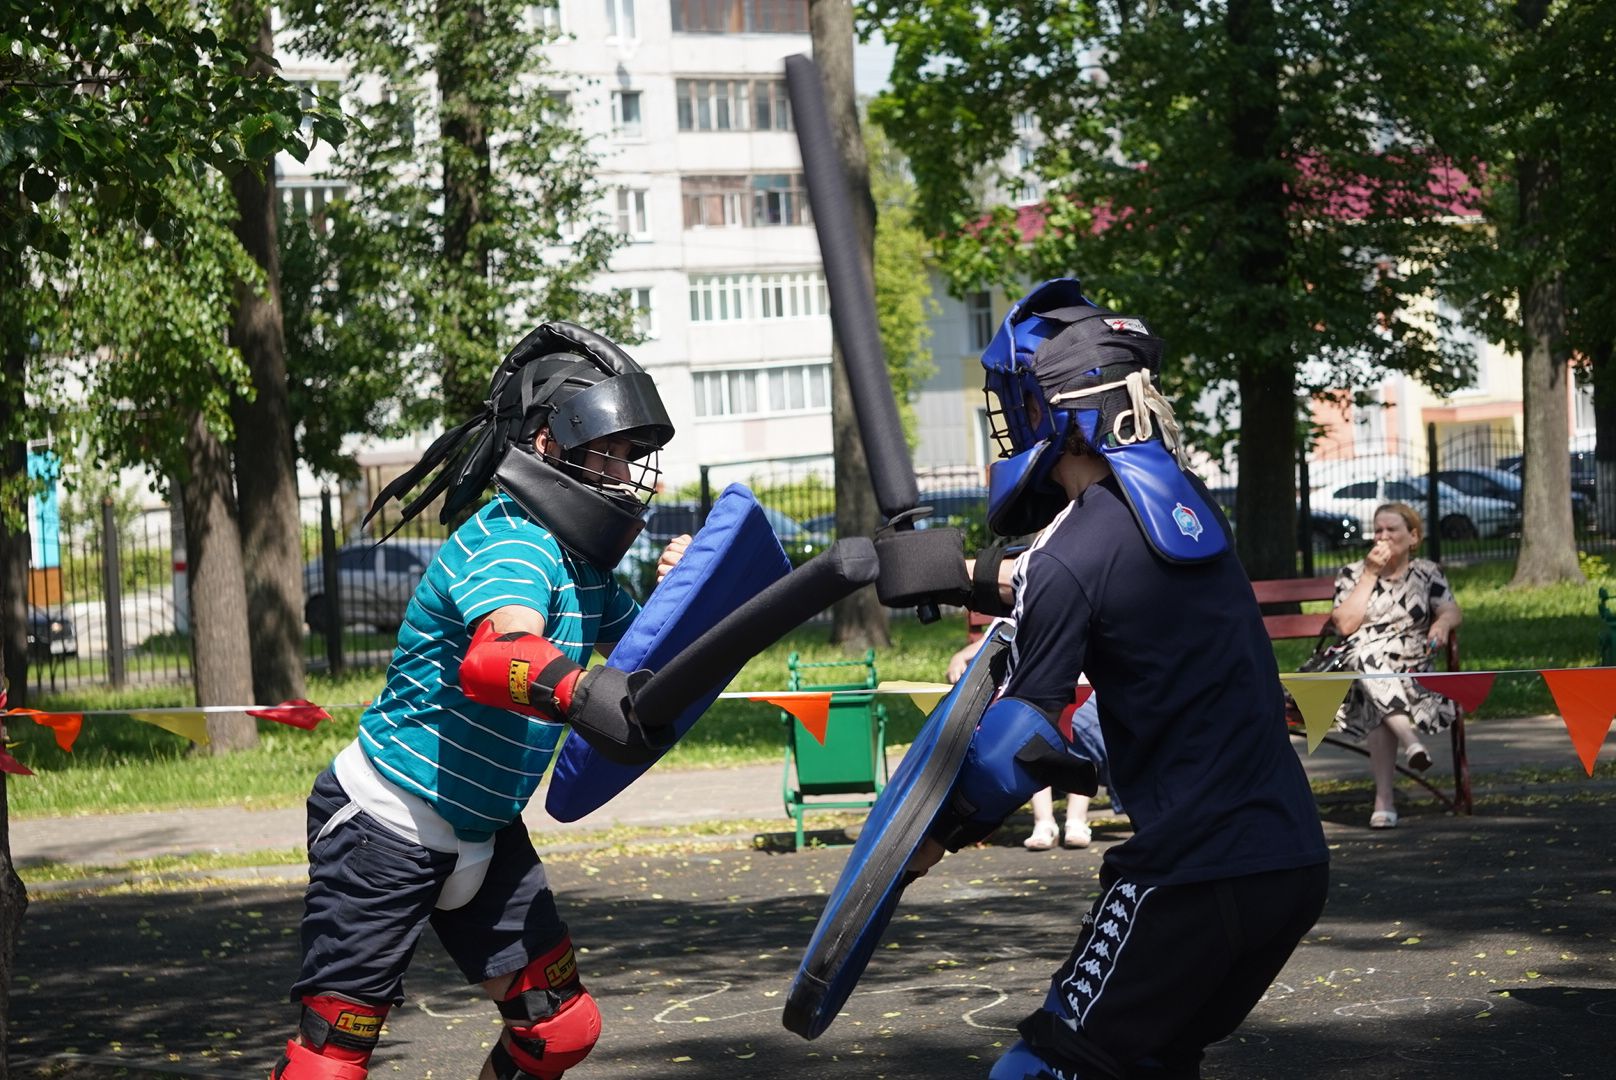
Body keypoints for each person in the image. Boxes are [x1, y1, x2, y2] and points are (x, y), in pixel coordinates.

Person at [909, 279, 1330, 1080]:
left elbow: (1019, 738)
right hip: (1291, 864)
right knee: (1151, 1062)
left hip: (1189, 875)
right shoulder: (1186, 509)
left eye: (1016, 404)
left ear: (1055, 417)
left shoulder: (1071, 553)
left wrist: (926, 840)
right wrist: (956, 574)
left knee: (1037, 1070)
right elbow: (1075, 574)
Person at [273, 322, 689, 1080]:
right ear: (549, 442)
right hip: (386, 827)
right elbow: (500, 654)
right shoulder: (512, 542)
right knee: (328, 1064)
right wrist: (578, 691)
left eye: (632, 456)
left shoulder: (583, 567)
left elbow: (646, 656)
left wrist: (688, 589)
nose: (626, 473)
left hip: (488, 830)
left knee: (559, 1029)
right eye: (611, 451)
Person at [1327, 501, 1462, 830]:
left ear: (1413, 537)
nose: (1383, 537)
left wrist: (1442, 624)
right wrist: (1370, 574)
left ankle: (1384, 801)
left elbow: (1450, 609)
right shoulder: (1352, 574)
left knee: (1375, 692)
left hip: (1413, 669)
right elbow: (1345, 626)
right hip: (1361, 667)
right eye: (1378, 530)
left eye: (1391, 530)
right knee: (1364, 657)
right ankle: (1410, 742)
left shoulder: (1427, 572)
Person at [946, 634, 1122, 851]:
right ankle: (1043, 822)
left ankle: (1076, 820)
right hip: (1034, 695)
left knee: (1077, 726)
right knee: (1031, 736)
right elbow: (993, 637)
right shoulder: (1018, 618)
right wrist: (958, 657)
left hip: (1080, 691)